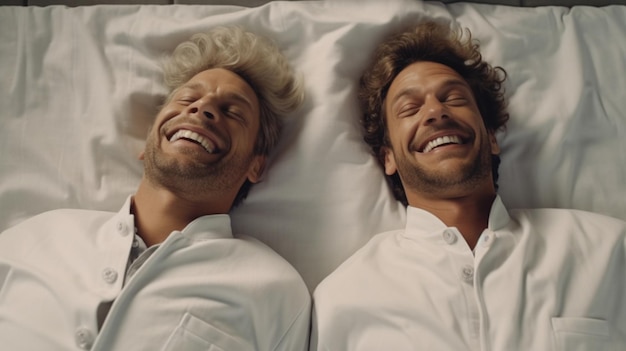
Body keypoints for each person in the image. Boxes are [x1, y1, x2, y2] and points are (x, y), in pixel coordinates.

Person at [310, 21, 626, 350]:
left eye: (454, 98)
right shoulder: (343, 299)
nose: (435, 111)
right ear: (387, 158)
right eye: (410, 108)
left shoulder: (609, 251)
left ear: (490, 137)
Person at [0, 26, 310, 351]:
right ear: (148, 141)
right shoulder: (35, 237)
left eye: (233, 112)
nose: (201, 109)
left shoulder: (274, 290)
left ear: (255, 165)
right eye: (188, 98)